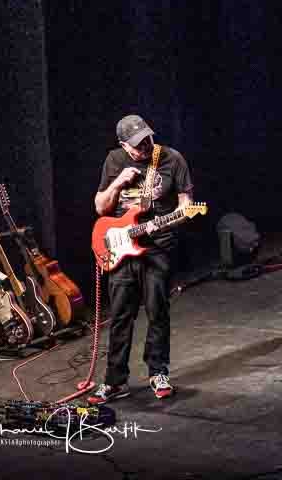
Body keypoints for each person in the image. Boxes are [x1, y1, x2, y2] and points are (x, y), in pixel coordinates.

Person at [89, 115, 194, 404]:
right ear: (123, 145)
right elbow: (100, 208)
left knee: (158, 312)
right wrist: (118, 182)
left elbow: (186, 205)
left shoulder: (172, 159)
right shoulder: (114, 160)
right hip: (121, 248)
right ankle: (114, 381)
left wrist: (168, 221)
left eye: (147, 139)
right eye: (137, 144)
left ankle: (158, 373)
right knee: (120, 316)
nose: (145, 146)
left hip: (157, 247)